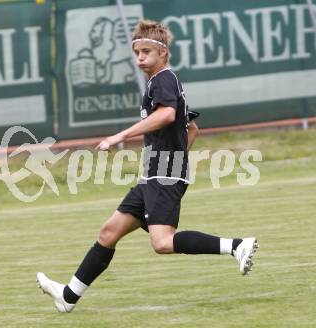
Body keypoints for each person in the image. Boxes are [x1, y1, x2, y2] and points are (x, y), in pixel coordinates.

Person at [37, 20, 258, 313]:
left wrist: (121, 136)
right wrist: (175, 157)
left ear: (162, 54)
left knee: (162, 242)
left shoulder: (164, 79)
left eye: (146, 52)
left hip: (163, 173)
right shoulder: (159, 83)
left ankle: (236, 245)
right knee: (108, 233)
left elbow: (168, 115)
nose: (140, 58)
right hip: (155, 173)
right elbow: (192, 129)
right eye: (137, 52)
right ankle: (68, 296)